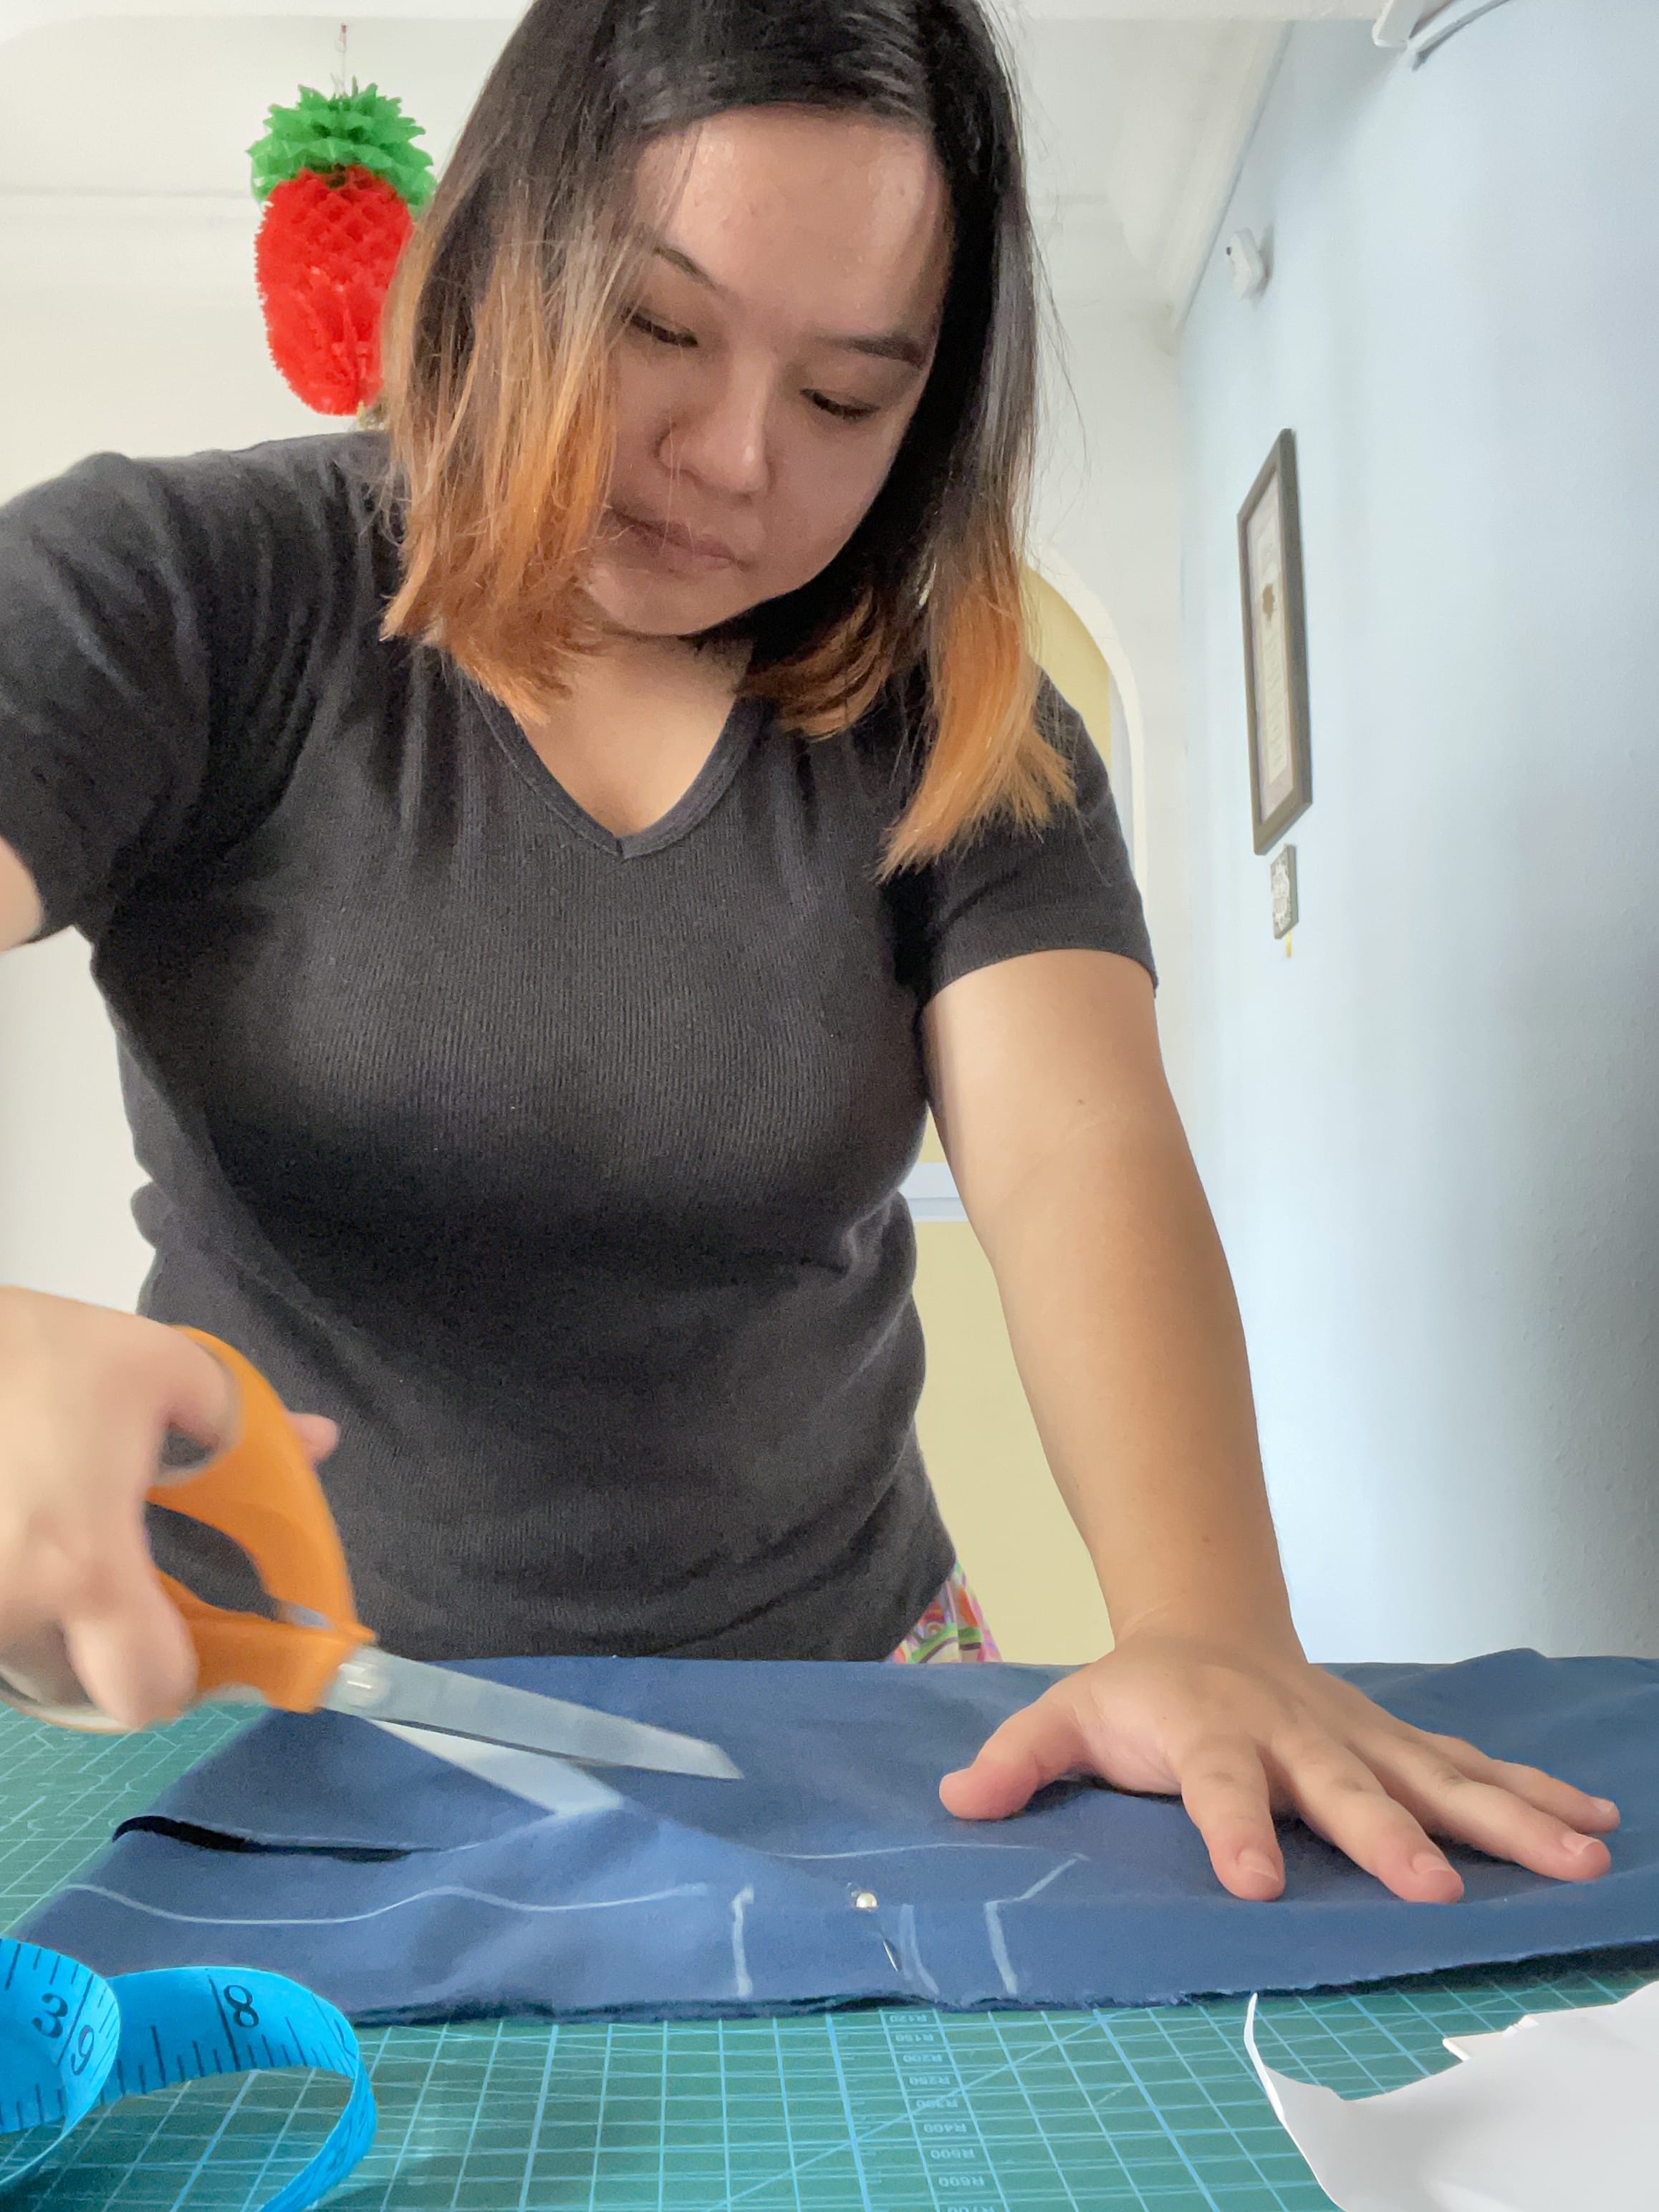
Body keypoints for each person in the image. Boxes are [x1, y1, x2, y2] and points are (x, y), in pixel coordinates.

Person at [0, 0, 1617, 1908]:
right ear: (501, 251)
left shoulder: (961, 723)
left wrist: (1212, 1625)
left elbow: (1076, 1157)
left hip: (845, 1691)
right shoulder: (180, 588)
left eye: (847, 397)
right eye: (654, 327)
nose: (733, 457)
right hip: (254, 1685)